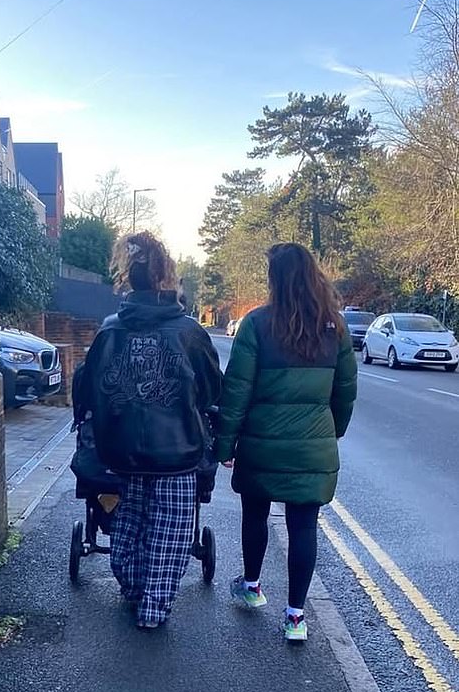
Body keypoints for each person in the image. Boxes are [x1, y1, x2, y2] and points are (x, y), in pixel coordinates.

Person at [216, 242, 357, 642]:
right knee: (302, 526)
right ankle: (296, 617)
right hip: (312, 444)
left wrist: (226, 446)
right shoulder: (334, 327)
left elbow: (236, 391)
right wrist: (332, 431)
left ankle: (254, 586)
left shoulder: (257, 324)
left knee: (255, 515)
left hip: (262, 443)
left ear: (275, 279)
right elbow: (345, 390)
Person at [81, 231, 222, 629]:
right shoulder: (190, 332)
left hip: (120, 450)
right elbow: (212, 390)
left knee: (129, 518)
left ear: (129, 278)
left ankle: (132, 588)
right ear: (167, 278)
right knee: (172, 528)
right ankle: (154, 608)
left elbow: (90, 389)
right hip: (177, 452)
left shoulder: (109, 329)